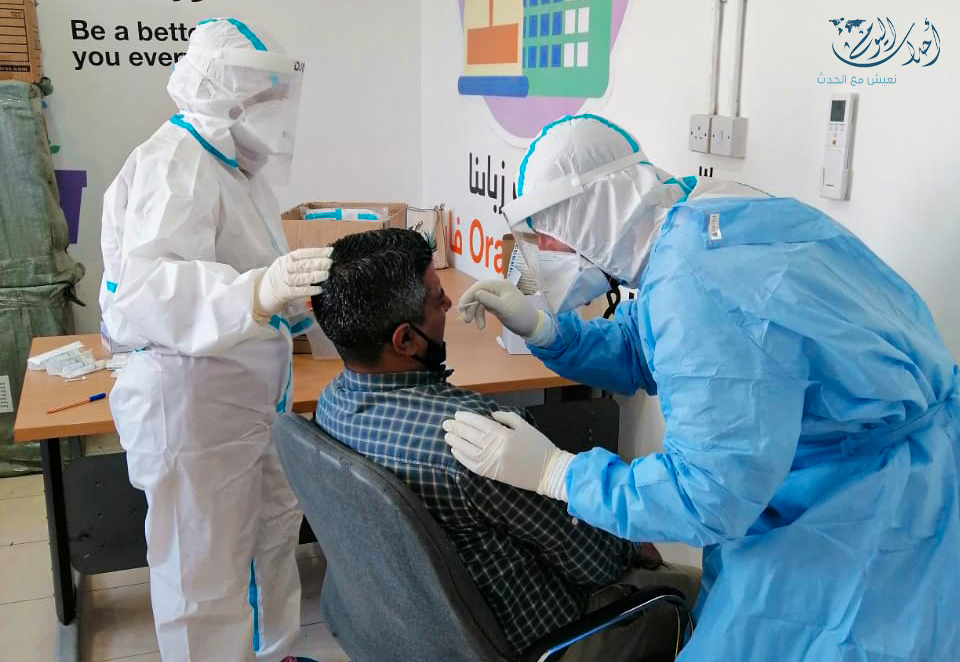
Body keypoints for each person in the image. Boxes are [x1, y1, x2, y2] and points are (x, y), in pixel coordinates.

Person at [444, 114, 960, 661]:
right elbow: (654, 347)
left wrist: (558, 474)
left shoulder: (696, 276)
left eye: (542, 233)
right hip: (859, 468)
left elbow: (706, 496)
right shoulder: (707, 221)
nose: (535, 253)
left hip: (865, 513)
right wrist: (546, 332)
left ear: (590, 214)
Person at [311, 228, 698, 661]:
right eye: (437, 297)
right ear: (405, 340)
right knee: (699, 594)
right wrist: (633, 543)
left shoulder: (330, 404)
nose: (448, 303)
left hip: (421, 634)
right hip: (546, 638)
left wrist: (542, 329)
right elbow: (594, 561)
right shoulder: (474, 440)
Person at [100, 18, 328, 662]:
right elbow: (146, 290)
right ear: (223, 92)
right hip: (192, 406)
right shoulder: (175, 161)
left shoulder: (239, 168)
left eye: (276, 93)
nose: (274, 107)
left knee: (269, 536)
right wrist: (257, 291)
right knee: (200, 571)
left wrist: (293, 300)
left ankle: (273, 653)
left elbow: (252, 268)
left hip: (248, 398)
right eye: (261, 93)